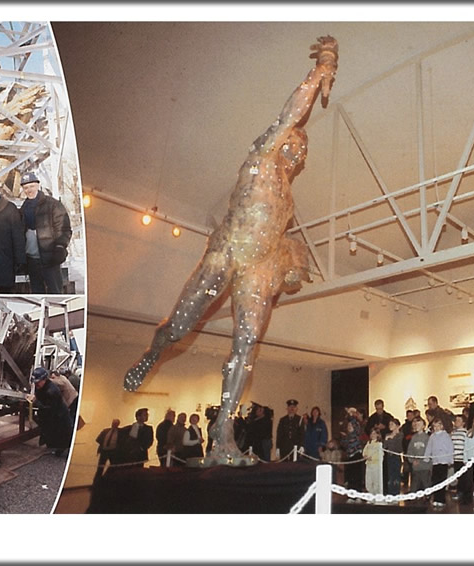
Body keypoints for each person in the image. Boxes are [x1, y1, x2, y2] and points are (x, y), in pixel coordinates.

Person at [122, 37, 339, 463]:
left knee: (247, 344)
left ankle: (223, 434)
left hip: (256, 264)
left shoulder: (290, 204)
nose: (298, 149)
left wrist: (288, 263)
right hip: (227, 249)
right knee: (181, 325)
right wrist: (323, 67)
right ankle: (153, 353)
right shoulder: (259, 159)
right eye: (294, 142)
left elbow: (276, 241)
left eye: (303, 150)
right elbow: (292, 110)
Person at [18, 171, 72, 294]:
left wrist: (59, 247)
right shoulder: (23, 208)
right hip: (32, 260)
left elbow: (64, 228)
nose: (29, 190)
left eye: (31, 186)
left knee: (55, 292)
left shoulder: (53, 205)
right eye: (26, 187)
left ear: (38, 185)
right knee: (37, 294)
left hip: (50, 258)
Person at [26, 368, 72, 456]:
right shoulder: (40, 386)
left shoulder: (52, 391)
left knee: (63, 436)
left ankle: (66, 453)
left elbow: (48, 408)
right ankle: (56, 448)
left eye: (38, 382)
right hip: (51, 415)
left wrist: (35, 401)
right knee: (54, 436)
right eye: (35, 382)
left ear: (44, 379)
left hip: (59, 416)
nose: (36, 384)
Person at [423, 418, 454, 507]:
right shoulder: (432, 436)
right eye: (434, 426)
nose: (436, 428)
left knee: (442, 480)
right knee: (435, 480)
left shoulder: (446, 436)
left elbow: (450, 448)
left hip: (443, 461)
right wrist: (426, 457)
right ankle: (436, 498)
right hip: (435, 462)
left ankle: (441, 499)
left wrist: (450, 459)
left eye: (438, 426)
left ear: (442, 426)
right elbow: (429, 447)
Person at [406, 417, 431, 495]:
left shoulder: (427, 438)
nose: (417, 426)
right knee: (414, 485)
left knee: (426, 484)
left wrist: (421, 461)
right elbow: (410, 450)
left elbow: (428, 451)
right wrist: (412, 460)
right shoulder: (414, 437)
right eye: (416, 424)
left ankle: (427, 498)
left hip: (425, 466)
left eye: (419, 424)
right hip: (416, 467)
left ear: (423, 426)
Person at [342, 409, 364, 491]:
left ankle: (358, 494)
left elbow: (354, 422)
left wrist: (351, 415)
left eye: (351, 426)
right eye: (348, 426)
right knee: (350, 476)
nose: (349, 427)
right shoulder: (347, 436)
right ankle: (351, 495)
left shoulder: (357, 434)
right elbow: (344, 444)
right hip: (349, 456)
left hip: (356, 455)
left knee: (357, 475)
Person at [382, 418, 403, 496]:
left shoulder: (400, 435)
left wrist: (390, 439)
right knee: (390, 475)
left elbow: (398, 447)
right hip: (389, 457)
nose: (390, 426)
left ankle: (396, 493)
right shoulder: (387, 435)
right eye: (389, 424)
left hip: (396, 456)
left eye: (392, 424)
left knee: (396, 475)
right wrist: (387, 439)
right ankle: (390, 493)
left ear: (397, 426)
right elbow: (384, 446)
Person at [449, 414, 468, 499]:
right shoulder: (453, 433)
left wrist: (465, 457)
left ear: (463, 423)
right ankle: (459, 491)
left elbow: (466, 445)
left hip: (462, 458)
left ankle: (462, 493)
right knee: (458, 476)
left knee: (463, 477)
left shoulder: (465, 433)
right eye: (456, 420)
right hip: (455, 458)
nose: (456, 422)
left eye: (459, 420)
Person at [362, 429, 384, 497]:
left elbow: (380, 454)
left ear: (378, 435)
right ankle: (370, 495)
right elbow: (364, 451)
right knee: (368, 480)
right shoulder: (369, 443)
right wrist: (365, 456)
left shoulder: (379, 444)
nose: (372, 435)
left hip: (376, 465)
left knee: (376, 480)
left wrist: (373, 458)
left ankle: (376, 495)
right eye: (371, 433)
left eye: (374, 433)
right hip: (369, 464)